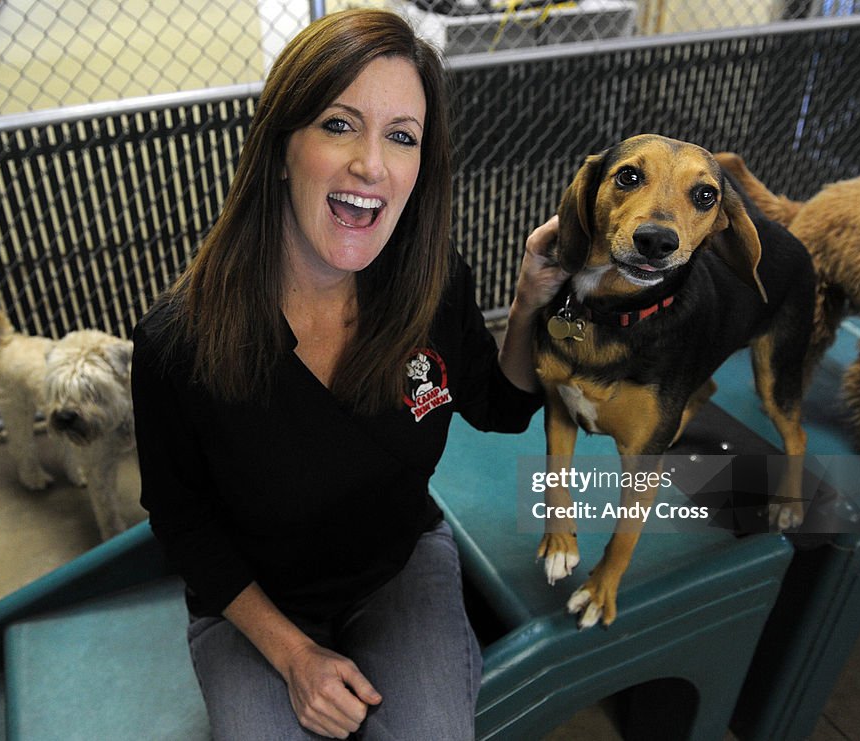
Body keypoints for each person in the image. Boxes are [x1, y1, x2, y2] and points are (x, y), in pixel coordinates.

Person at [131, 8, 565, 740]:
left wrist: (526, 306)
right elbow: (181, 523)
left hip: (397, 567)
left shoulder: (433, 286)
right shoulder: (178, 341)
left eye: (402, 136)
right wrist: (296, 656)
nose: (372, 164)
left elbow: (500, 406)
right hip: (254, 603)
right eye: (339, 125)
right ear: (279, 146)